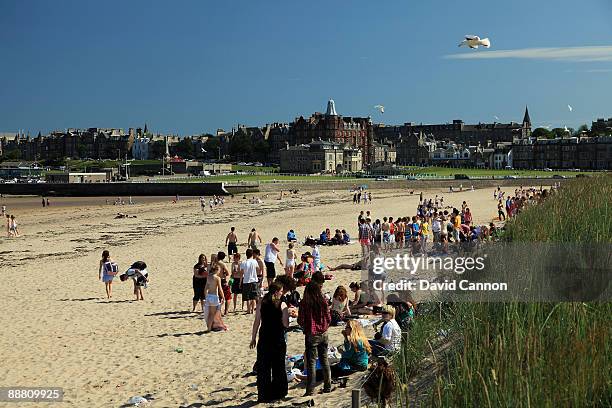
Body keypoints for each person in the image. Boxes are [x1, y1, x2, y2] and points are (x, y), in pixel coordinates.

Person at [250, 282, 289, 403]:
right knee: (279, 367)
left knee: (264, 368)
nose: (282, 293)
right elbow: (286, 324)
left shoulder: (262, 302)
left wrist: (253, 338)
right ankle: (279, 393)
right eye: (281, 291)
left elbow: (257, 321)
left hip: (264, 338)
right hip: (277, 339)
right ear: (277, 292)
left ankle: (263, 395)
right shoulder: (282, 305)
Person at [298, 281, 332, 396]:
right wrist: (325, 326)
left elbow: (300, 320)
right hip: (324, 333)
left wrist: (304, 327)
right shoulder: (323, 301)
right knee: (324, 360)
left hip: (312, 334)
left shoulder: (305, 303)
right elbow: (328, 317)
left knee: (311, 363)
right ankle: (328, 386)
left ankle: (310, 390)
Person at [203, 264, 227, 332]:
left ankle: (212, 326)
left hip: (209, 296)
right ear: (216, 270)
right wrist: (223, 297)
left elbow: (205, 289)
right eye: (219, 270)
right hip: (214, 296)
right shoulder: (217, 278)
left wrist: (206, 297)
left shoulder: (208, 277)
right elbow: (220, 289)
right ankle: (209, 328)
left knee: (210, 313)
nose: (219, 271)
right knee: (212, 314)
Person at [240, 248, 260, 314]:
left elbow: (241, 273)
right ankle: (252, 310)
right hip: (254, 280)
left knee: (247, 297)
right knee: (253, 296)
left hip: (246, 280)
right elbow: (258, 269)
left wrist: (240, 282)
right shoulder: (254, 261)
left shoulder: (243, 262)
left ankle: (248, 309)